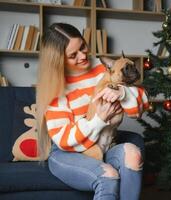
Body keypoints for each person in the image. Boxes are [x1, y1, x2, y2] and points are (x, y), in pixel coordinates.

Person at [36, 23, 149, 200]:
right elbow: (64, 140)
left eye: (83, 47)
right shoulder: (54, 86)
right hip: (69, 153)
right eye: (73, 55)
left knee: (133, 154)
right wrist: (99, 119)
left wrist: (123, 92)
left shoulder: (102, 66)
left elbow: (140, 107)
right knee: (108, 175)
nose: (83, 56)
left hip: (104, 143)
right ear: (58, 60)